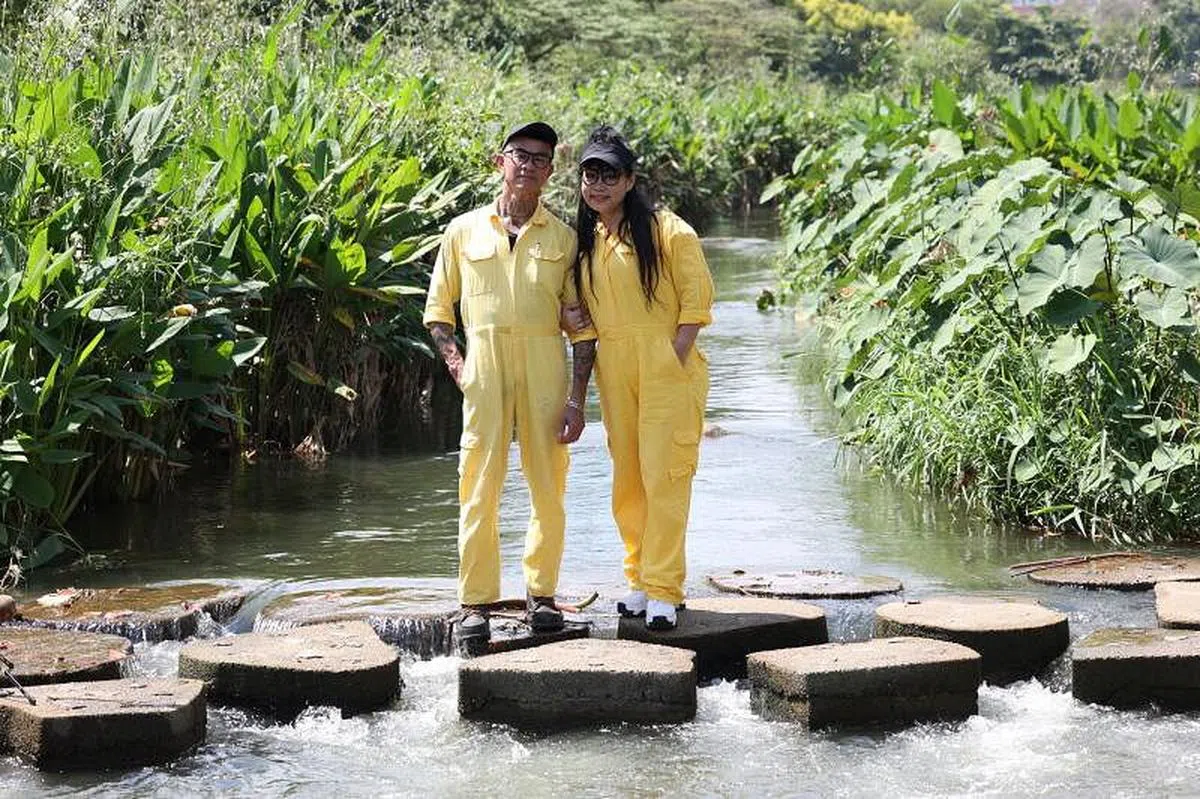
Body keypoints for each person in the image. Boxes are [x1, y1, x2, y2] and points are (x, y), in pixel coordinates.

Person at [423, 121, 597, 646]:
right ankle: (475, 602)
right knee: (478, 485)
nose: (528, 165)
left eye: (540, 159)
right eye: (519, 154)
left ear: (550, 172)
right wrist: (460, 368)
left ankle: (541, 597)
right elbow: (438, 314)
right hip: (485, 368)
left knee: (549, 486)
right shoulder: (462, 231)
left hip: (546, 365)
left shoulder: (564, 239)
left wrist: (576, 401)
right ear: (500, 162)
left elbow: (582, 330)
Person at [567, 125, 714, 631]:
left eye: (610, 175)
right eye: (590, 175)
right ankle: (638, 578)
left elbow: (696, 306)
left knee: (665, 478)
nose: (598, 185)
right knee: (628, 480)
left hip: (667, 371)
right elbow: (580, 313)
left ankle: (665, 591)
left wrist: (671, 360)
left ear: (630, 180)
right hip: (615, 373)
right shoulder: (587, 242)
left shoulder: (670, 231)